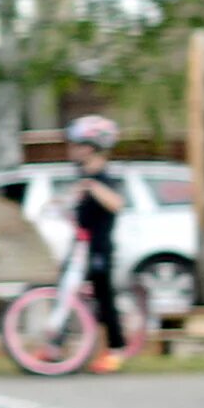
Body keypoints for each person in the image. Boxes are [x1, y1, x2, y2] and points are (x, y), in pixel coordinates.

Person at [62, 113, 129, 373]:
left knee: (104, 298)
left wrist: (91, 187)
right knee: (68, 292)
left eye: (76, 145)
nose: (71, 151)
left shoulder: (103, 179)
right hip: (81, 249)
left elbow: (117, 204)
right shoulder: (84, 179)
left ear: (90, 148)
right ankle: (61, 346)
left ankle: (115, 349)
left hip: (101, 250)